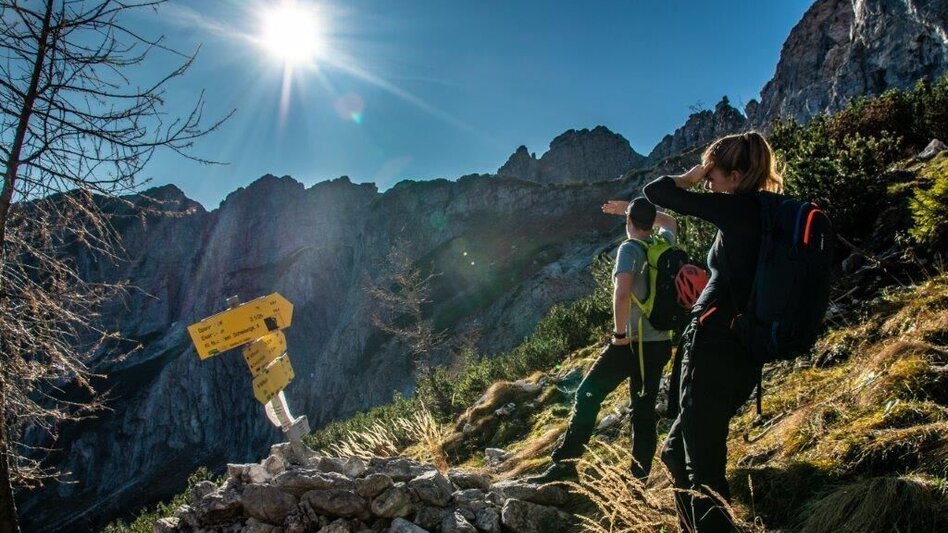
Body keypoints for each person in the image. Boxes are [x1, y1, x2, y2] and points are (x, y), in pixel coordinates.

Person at [632, 131, 782, 533]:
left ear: (735, 175)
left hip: (715, 350)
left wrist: (691, 175)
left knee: (703, 468)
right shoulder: (770, 212)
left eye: (715, 173)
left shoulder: (739, 209)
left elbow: (656, 191)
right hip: (742, 352)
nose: (709, 181)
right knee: (677, 455)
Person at [526, 197, 678, 484]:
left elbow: (622, 293)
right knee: (644, 412)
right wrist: (639, 211)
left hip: (631, 344)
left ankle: (565, 466)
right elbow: (669, 221)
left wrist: (619, 335)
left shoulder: (629, 249)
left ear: (628, 222)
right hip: (660, 343)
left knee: (587, 394)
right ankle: (638, 480)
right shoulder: (663, 243)